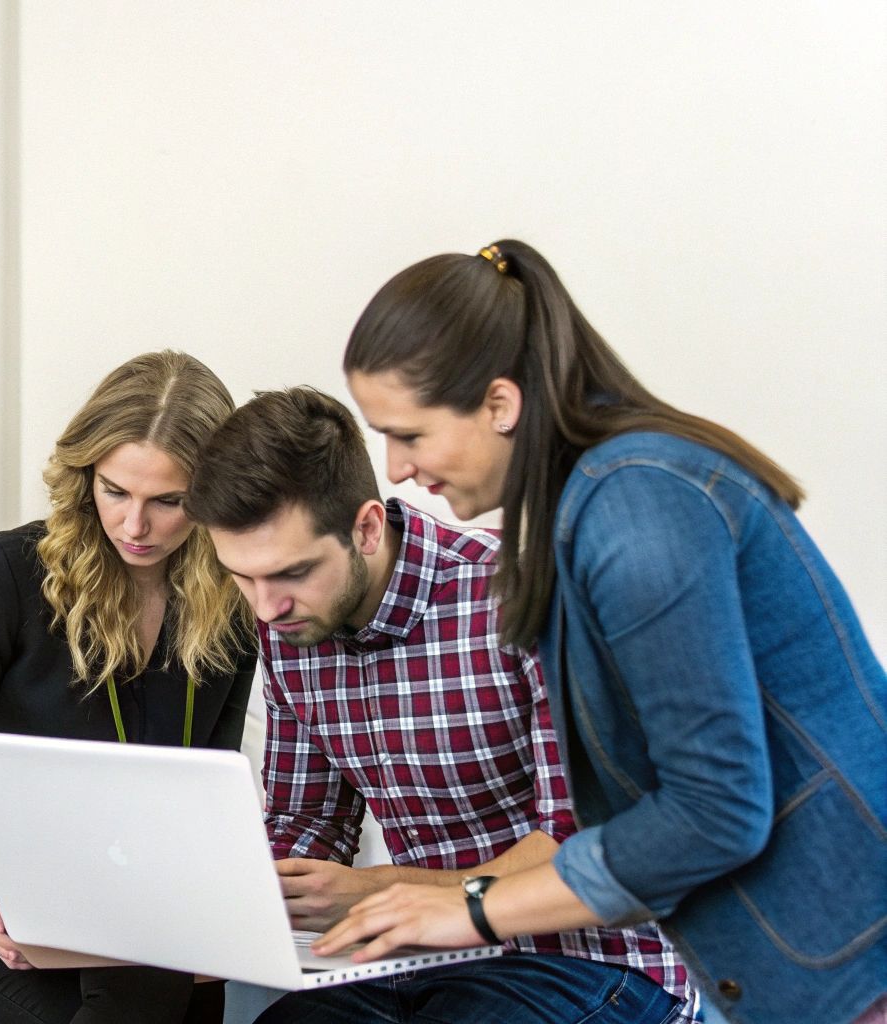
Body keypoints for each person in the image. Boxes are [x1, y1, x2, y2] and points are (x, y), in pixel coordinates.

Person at [314, 239, 887, 1024]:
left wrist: (474, 910)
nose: (398, 467)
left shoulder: (635, 509)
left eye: (409, 435)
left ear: (499, 405)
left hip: (847, 956)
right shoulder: (592, 503)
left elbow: (715, 809)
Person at [185, 387, 691, 1024]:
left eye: (290, 573)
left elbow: (583, 843)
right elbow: (308, 819)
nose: (265, 607)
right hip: (422, 962)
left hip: (594, 961)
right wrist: (254, 884)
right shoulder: (289, 628)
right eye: (242, 576)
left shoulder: (523, 599)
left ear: (366, 528)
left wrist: (375, 891)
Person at [0, 351, 257, 1024]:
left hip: (115, 912)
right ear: (86, 476)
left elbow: (205, 791)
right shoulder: (13, 574)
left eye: (169, 502)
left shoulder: (236, 603)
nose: (135, 526)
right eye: (115, 491)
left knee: (177, 1001)